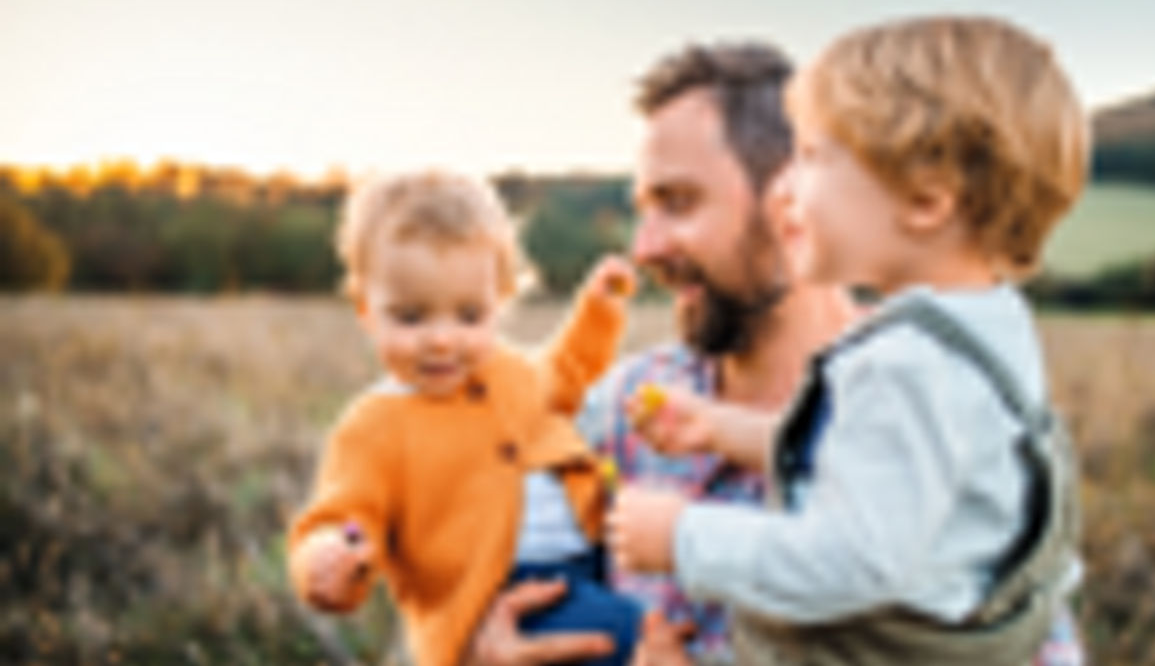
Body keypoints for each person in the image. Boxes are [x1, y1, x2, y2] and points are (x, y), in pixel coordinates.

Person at [467, 41, 1085, 666]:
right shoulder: (625, 406)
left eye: (679, 202)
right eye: (643, 211)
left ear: (790, 192)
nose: (644, 249)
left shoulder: (941, 396)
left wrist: (683, 536)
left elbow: (1021, 635)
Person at [287, 169, 642, 666]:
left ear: (502, 301)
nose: (442, 340)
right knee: (641, 635)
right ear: (366, 310)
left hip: (592, 558)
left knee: (679, 606)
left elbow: (565, 376)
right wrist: (327, 559)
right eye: (411, 317)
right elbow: (345, 518)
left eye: (469, 316)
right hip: (496, 597)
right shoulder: (375, 425)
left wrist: (598, 313)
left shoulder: (510, 373)